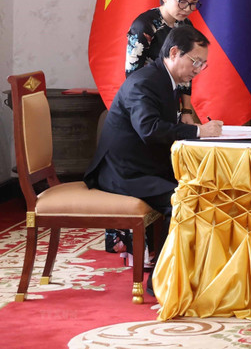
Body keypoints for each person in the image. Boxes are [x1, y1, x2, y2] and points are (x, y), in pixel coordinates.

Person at [85, 26, 223, 293]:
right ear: (173, 52)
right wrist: (199, 131)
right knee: (183, 197)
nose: (198, 69)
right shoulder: (145, 82)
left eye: (203, 64)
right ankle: (161, 281)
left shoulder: (165, 80)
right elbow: (149, 129)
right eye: (195, 61)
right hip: (122, 172)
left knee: (204, 185)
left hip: (144, 164)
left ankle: (196, 270)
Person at [126, 0, 203, 126]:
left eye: (193, 3)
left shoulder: (185, 26)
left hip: (171, 101)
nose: (188, 9)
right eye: (182, 2)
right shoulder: (144, 25)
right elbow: (133, 77)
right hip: (146, 102)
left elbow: (186, 72)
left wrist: (186, 110)